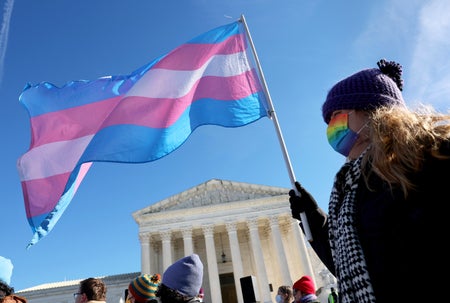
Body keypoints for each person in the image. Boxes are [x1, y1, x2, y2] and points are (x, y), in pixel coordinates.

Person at [289, 58, 450, 303]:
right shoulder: (353, 185)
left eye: (336, 115)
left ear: (370, 111)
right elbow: (354, 268)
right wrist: (313, 218)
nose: (331, 126)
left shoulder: (430, 157)